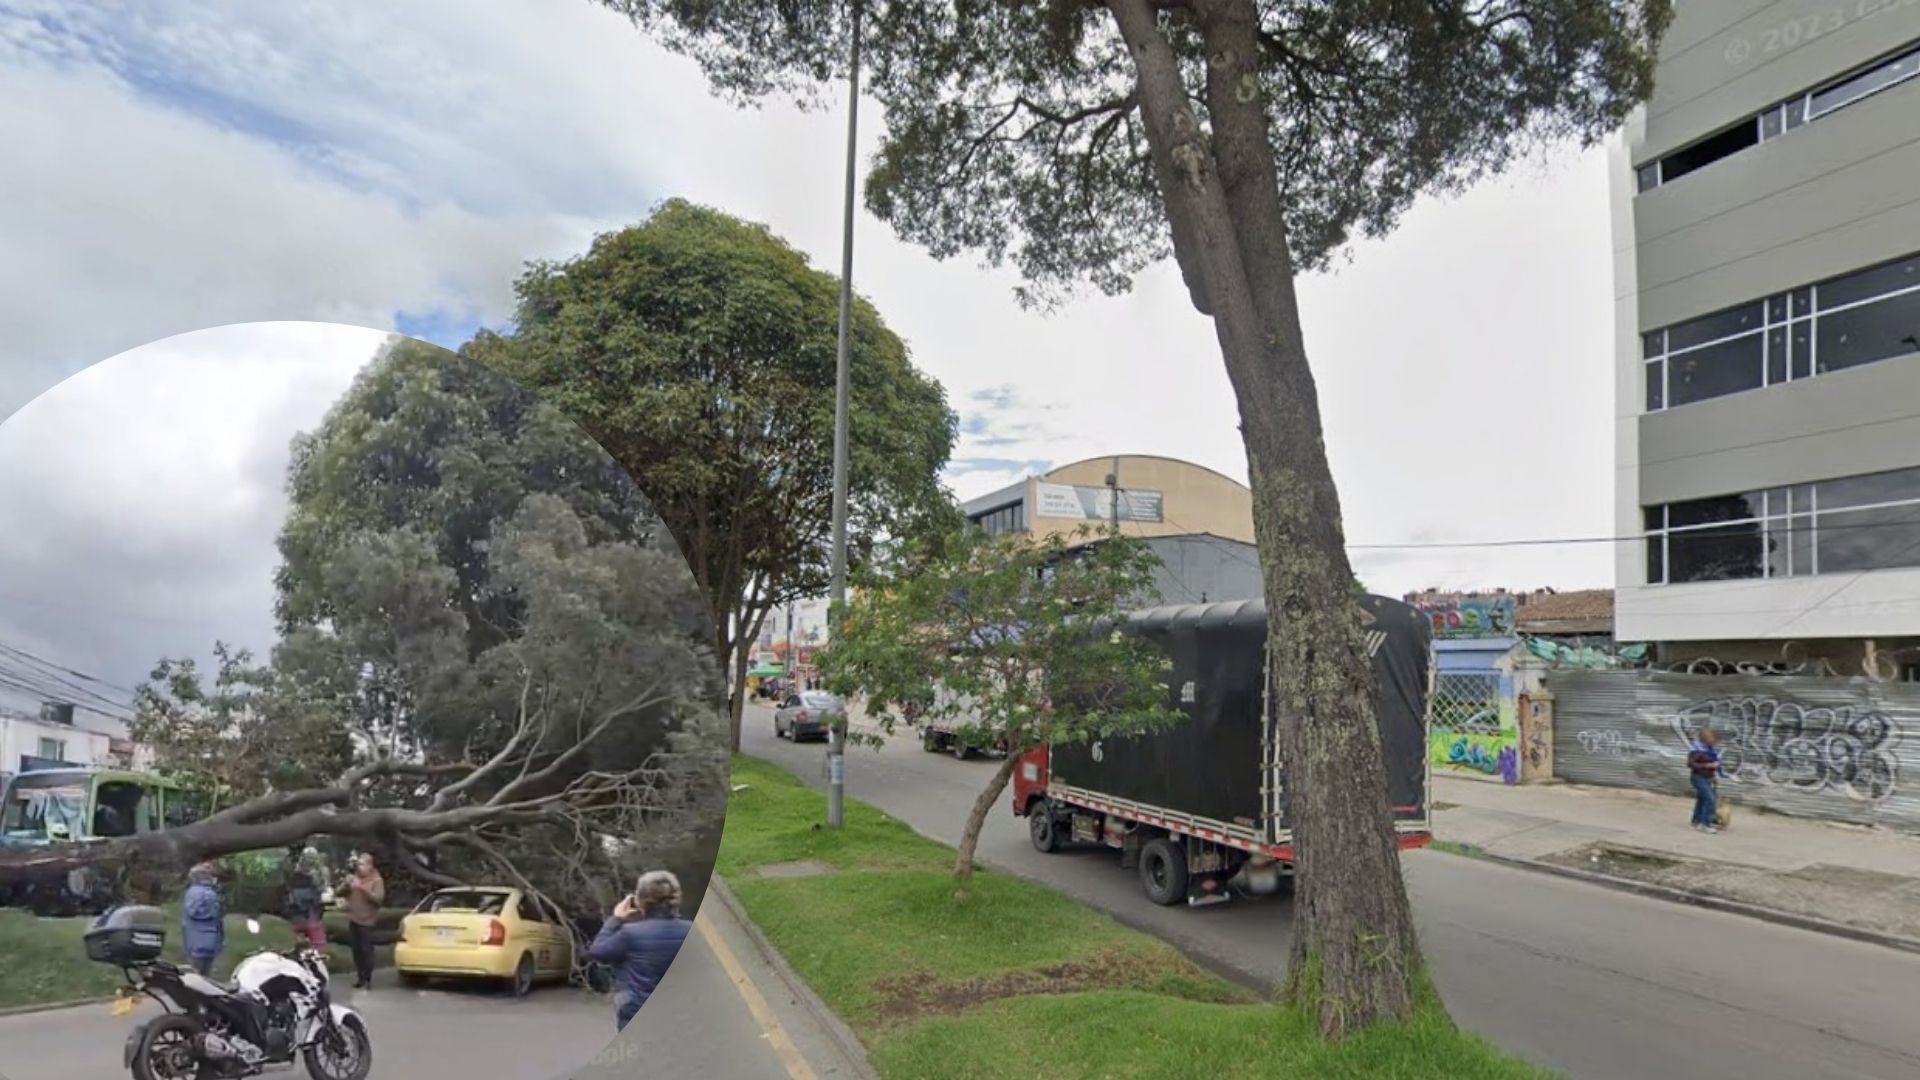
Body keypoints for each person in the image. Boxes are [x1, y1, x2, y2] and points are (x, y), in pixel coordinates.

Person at [587, 870, 693, 1032]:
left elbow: (598, 951)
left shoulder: (630, 933)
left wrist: (616, 919)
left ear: (640, 900)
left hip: (636, 1007)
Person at [337, 852, 386, 988]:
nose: (359, 867)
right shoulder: (354, 878)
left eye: (362, 864)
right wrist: (346, 885)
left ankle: (368, 979)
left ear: (370, 865)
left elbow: (378, 899)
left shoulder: (376, 880)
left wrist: (362, 888)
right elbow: (338, 892)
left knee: (366, 950)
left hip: (367, 921)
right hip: (353, 918)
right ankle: (360, 977)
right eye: (358, 864)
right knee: (356, 950)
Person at [181, 862, 226, 977]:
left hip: (195, 941)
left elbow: (191, 913)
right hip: (208, 940)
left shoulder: (192, 892)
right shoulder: (210, 893)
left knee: (197, 975)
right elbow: (215, 917)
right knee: (204, 976)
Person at [284, 849, 328, 950]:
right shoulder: (318, 873)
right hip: (308, 913)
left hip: (303, 912)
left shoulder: (298, 874)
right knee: (316, 940)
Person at [1688, 729, 1722, 834]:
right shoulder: (1697, 750)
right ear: (1706, 739)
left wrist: (1713, 776)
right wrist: (1707, 765)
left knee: (1702, 799)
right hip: (1698, 777)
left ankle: (1697, 820)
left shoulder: (1709, 750)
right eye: (1714, 739)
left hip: (1707, 778)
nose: (1716, 742)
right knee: (1710, 799)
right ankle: (1704, 824)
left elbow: (1712, 764)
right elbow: (1691, 764)